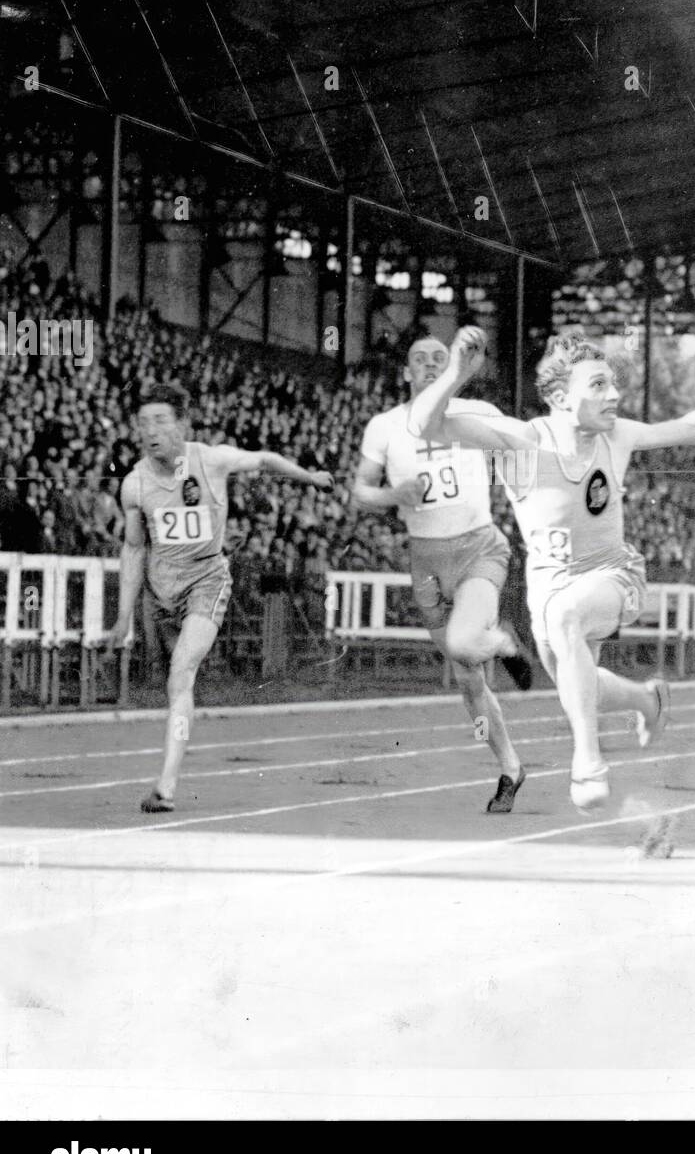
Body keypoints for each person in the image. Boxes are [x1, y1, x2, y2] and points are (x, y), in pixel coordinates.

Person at [410, 327, 695, 813]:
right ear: (561, 397)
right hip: (547, 590)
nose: (614, 395)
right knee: (576, 681)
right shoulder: (520, 441)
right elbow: (423, 425)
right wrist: (458, 374)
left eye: (613, 384)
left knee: (570, 623)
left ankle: (588, 762)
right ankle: (648, 700)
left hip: (612, 576)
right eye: (598, 385)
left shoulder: (618, 435)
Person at [103, 383, 333, 813]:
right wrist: (123, 616)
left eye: (160, 420)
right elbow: (133, 549)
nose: (151, 431)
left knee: (180, 673)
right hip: (160, 589)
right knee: (171, 680)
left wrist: (310, 476)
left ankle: (166, 786)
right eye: (143, 423)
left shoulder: (211, 461)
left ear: (183, 424)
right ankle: (168, 775)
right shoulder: (134, 484)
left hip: (207, 579)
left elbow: (264, 460)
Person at [352, 334, 531, 814]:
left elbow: (526, 446)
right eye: (420, 360)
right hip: (427, 562)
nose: (431, 365)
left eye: (440, 357)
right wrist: (394, 495)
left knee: (461, 643)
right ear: (406, 373)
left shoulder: (479, 412)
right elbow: (361, 491)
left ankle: (505, 642)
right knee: (469, 680)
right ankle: (511, 768)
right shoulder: (385, 427)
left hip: (478, 549)